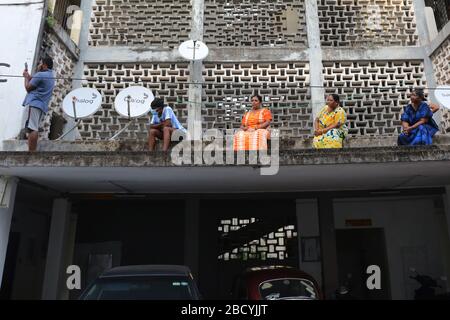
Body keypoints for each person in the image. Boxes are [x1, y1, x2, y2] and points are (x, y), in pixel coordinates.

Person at [22, 56, 55, 151]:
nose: (39, 65)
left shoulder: (40, 74)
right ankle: (32, 152)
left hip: (34, 104)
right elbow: (36, 81)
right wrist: (29, 76)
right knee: (34, 127)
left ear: (44, 65)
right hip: (41, 106)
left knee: (32, 128)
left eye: (41, 63)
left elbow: (28, 88)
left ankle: (31, 153)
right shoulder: (51, 76)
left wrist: (25, 77)